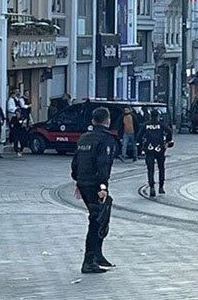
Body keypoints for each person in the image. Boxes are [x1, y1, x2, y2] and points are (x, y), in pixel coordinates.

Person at [71, 107, 117, 274]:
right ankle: (89, 260)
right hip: (95, 185)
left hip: (83, 183)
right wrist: (102, 187)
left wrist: (77, 181)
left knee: (99, 218)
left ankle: (97, 255)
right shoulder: (105, 140)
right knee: (97, 219)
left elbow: (75, 162)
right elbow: (103, 165)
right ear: (107, 120)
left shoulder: (84, 138)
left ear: (93, 121)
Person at [137, 110, 173, 197]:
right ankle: (161, 187)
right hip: (159, 149)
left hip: (149, 150)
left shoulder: (146, 125)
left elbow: (139, 136)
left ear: (150, 116)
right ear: (158, 116)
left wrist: (140, 146)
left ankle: (152, 187)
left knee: (150, 169)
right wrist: (167, 141)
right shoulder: (161, 125)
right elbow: (170, 131)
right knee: (161, 168)